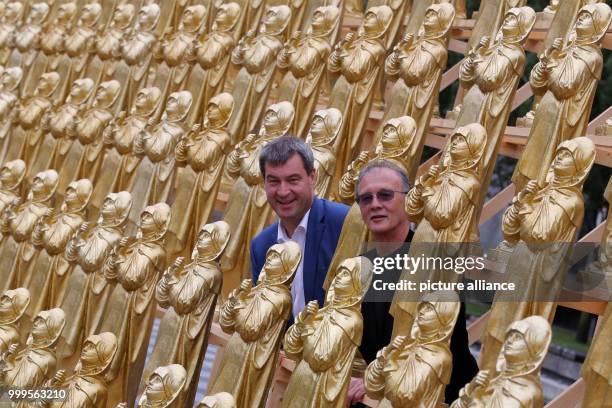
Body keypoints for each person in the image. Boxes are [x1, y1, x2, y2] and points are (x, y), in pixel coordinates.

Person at [346, 160, 478, 406]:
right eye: (366, 198)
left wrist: (372, 380)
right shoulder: (360, 267)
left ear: (407, 200)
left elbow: (430, 348)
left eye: (385, 195)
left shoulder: (436, 265)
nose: (375, 204)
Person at [250, 136, 349, 318]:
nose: (283, 191)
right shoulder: (261, 246)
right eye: (273, 181)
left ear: (312, 177)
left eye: (293, 180)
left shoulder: (344, 223)